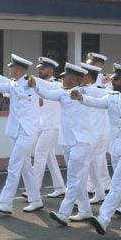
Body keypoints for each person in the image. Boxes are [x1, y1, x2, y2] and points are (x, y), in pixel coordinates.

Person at [76, 63, 121, 234]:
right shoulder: (111, 97)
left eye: (116, 78)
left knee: (116, 183)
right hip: (116, 149)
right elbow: (95, 102)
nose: (112, 81)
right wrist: (80, 98)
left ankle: (103, 218)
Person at [0, 54, 44, 214]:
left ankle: (6, 202)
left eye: (12, 67)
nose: (10, 69)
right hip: (15, 130)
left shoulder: (34, 82)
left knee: (14, 165)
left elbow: (49, 89)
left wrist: (39, 89)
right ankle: (36, 200)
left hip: (28, 131)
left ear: (18, 69)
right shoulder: (12, 84)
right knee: (25, 166)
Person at [37, 63, 102, 226]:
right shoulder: (61, 93)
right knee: (77, 178)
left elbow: (110, 94)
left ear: (75, 79)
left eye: (65, 77)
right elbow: (46, 93)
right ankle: (85, 210)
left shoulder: (89, 91)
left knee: (72, 178)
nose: (62, 79)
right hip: (67, 141)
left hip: (83, 141)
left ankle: (64, 213)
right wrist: (34, 87)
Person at [32, 57, 67, 199]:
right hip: (43, 125)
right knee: (49, 157)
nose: (40, 70)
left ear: (51, 70)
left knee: (39, 154)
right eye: (39, 68)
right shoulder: (40, 83)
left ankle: (33, 189)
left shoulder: (58, 84)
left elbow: (46, 91)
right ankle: (59, 187)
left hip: (52, 125)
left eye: (43, 68)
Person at [84, 52, 111, 201]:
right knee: (95, 157)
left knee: (96, 157)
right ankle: (103, 185)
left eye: (91, 64)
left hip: (100, 124)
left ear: (99, 66)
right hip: (89, 123)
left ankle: (95, 187)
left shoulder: (105, 81)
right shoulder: (86, 80)